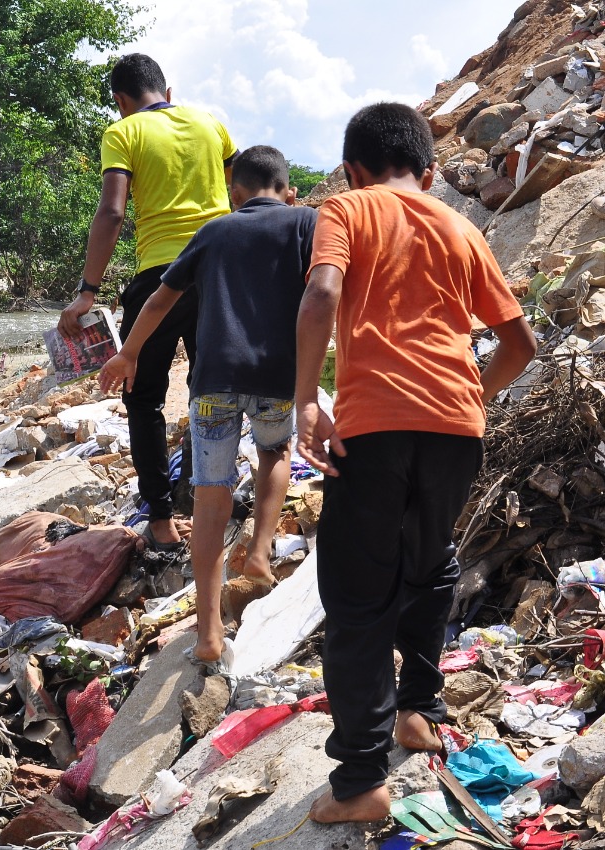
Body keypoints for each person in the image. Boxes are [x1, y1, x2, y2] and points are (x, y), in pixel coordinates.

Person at [294, 103, 537, 824]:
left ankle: (362, 782)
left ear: (351, 169)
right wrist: (472, 398)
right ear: (430, 174)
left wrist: (307, 399)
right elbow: (518, 344)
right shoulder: (461, 226)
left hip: (373, 428)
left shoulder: (345, 208)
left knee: (358, 596)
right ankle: (418, 712)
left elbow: (321, 292)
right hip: (454, 432)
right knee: (430, 564)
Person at [99, 145, 316, 664]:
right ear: (288, 190)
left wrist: (128, 353)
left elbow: (157, 300)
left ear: (233, 194)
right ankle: (261, 551)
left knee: (211, 501)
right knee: (274, 455)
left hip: (213, 384)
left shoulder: (214, 231)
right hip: (275, 378)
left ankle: (208, 634)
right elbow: (328, 289)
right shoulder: (305, 223)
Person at [59, 53, 237, 549]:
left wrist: (87, 292)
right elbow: (238, 193)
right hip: (218, 271)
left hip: (159, 274)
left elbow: (112, 214)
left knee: (144, 399)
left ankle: (160, 520)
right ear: (168, 91)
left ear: (120, 101)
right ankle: (211, 504)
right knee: (214, 394)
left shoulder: (124, 133)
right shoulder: (212, 125)